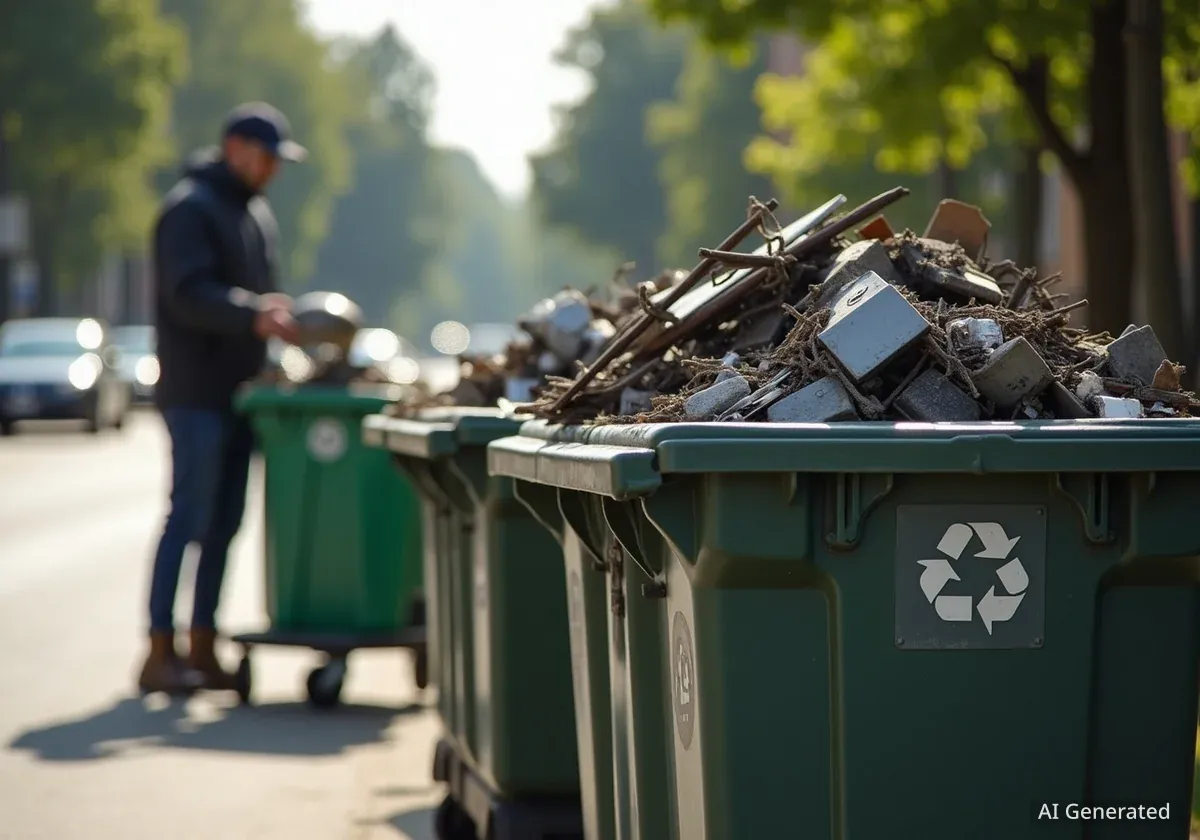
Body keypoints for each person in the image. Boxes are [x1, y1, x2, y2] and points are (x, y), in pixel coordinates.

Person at [138, 103, 305, 695]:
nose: (272, 172)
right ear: (235, 148)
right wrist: (252, 313)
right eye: (266, 158)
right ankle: (159, 649)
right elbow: (188, 294)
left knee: (225, 525)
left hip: (241, 397)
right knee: (188, 516)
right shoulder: (189, 208)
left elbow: (260, 293)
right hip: (196, 394)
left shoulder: (252, 213)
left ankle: (202, 645)